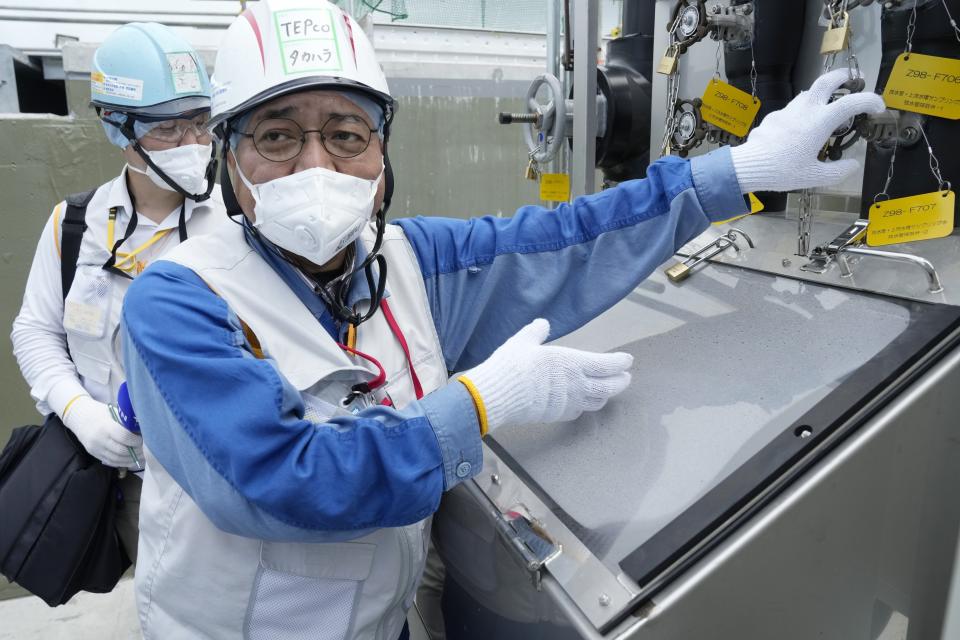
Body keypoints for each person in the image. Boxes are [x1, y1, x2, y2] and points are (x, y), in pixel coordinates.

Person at [118, 0, 886, 637]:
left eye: (346, 134)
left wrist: (734, 173)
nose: (316, 166)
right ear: (228, 157)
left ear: (382, 156)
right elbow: (279, 482)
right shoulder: (180, 300)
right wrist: (482, 403)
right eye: (277, 135)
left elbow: (565, 239)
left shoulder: (412, 264)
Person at [10, 22, 226, 565]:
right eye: (170, 129)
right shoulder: (74, 226)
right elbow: (35, 330)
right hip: (117, 487)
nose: (194, 144)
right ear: (117, 126)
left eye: (201, 124)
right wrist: (81, 413)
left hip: (216, 487)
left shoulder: (238, 226)